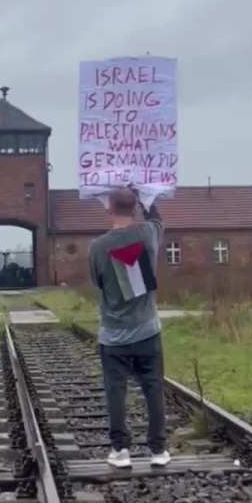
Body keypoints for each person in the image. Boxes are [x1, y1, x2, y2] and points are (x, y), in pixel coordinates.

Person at [88, 187, 170, 468]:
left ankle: (120, 450)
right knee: (153, 387)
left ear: (109, 208)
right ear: (135, 207)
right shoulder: (148, 233)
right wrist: (148, 197)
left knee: (115, 390)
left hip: (113, 335)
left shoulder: (98, 247)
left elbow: (97, 281)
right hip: (148, 329)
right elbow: (158, 220)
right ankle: (158, 450)